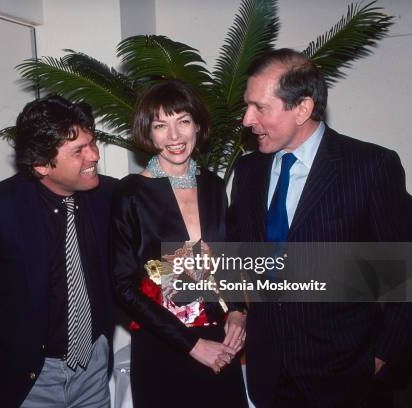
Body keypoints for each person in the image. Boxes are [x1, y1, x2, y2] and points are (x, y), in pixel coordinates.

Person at [228, 48, 412, 407]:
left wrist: (380, 356)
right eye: (247, 105)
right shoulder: (248, 172)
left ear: (302, 109)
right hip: (269, 376)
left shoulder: (370, 167)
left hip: (347, 379)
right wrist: (236, 306)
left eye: (260, 107)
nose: (246, 119)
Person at [0, 95, 116, 408]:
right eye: (78, 150)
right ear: (42, 165)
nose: (94, 155)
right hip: (28, 380)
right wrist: (14, 326)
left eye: (91, 143)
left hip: (93, 368)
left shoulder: (110, 195)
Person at [110, 80, 248, 408]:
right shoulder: (129, 193)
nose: (174, 136)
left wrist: (239, 312)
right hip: (164, 343)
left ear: (197, 125)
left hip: (220, 337)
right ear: (149, 133)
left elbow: (225, 262)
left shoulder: (213, 186)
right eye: (161, 125)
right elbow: (122, 286)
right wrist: (191, 344)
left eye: (183, 121)